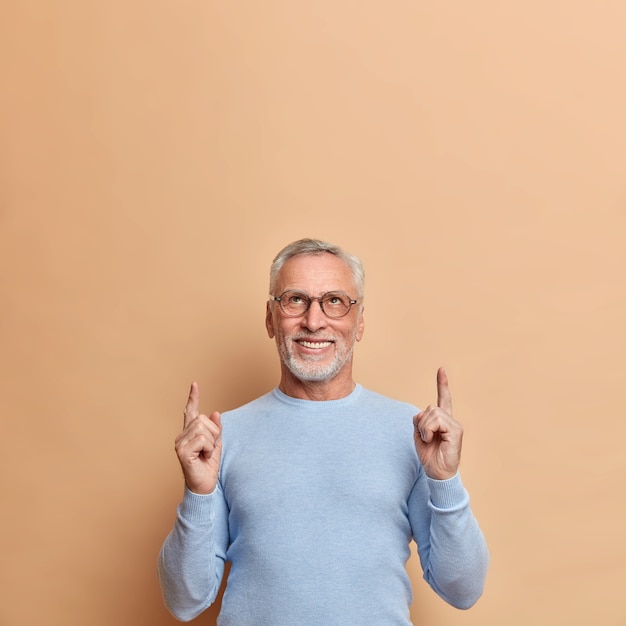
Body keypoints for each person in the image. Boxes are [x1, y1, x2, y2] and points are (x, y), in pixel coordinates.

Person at [158, 238, 489, 625]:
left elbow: (463, 589)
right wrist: (197, 493)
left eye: (334, 301)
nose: (314, 321)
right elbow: (184, 601)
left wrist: (445, 481)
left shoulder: (414, 434)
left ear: (359, 321)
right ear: (270, 317)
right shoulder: (221, 438)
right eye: (295, 299)